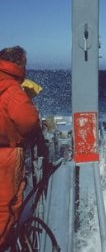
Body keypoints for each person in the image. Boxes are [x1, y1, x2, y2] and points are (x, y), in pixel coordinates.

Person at [0, 46, 43, 248]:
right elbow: (28, 122)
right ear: (19, 64)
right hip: (6, 153)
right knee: (6, 205)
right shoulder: (12, 89)